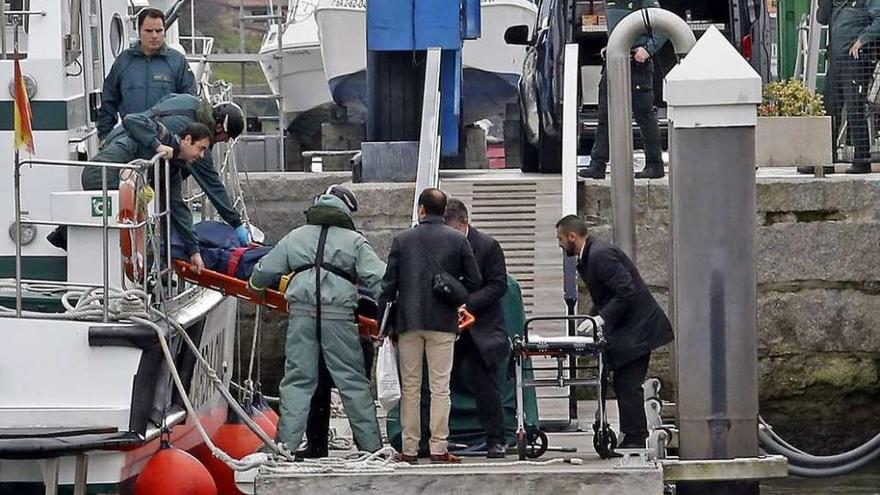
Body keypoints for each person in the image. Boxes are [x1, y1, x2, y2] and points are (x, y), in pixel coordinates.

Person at [248, 186, 387, 454]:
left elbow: (264, 271)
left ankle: (285, 446)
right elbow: (379, 279)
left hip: (301, 314)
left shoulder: (296, 237)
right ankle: (371, 448)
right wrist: (391, 312)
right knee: (353, 381)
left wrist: (255, 287)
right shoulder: (354, 241)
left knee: (298, 380)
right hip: (339, 317)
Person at [380, 188, 482, 464]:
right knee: (440, 387)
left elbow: (388, 286)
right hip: (443, 321)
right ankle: (439, 447)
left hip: (408, 323)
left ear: (421, 210)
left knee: (411, 387)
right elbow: (474, 281)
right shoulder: (457, 240)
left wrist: (385, 326)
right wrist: (451, 287)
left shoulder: (402, 240)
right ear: (443, 209)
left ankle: (409, 448)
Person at [555, 214, 673, 450]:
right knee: (623, 383)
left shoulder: (600, 255)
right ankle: (631, 435)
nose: (559, 244)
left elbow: (626, 291)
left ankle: (635, 438)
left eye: (560, 239)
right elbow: (605, 294)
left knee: (628, 384)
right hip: (631, 330)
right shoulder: (591, 256)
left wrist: (601, 318)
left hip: (638, 329)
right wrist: (592, 316)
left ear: (572, 236)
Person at [82, 94, 248, 244]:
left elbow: (164, 99)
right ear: (219, 128)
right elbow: (213, 186)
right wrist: (236, 223)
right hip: (117, 163)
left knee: (165, 204)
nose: (223, 143)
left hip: (122, 143)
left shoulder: (190, 102)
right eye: (225, 138)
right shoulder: (193, 140)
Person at [443, 199, 509, 459]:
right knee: (438, 383)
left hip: (481, 325)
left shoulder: (488, 246)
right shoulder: (444, 243)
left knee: (486, 386)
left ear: (464, 224)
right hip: (450, 324)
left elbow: (498, 285)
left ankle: (496, 439)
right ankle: (436, 438)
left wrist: (467, 303)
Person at [579, 0, 667, 180]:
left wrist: (647, 49)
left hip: (637, 65)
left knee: (645, 117)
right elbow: (617, 30)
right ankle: (598, 164)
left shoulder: (644, 1)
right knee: (604, 116)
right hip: (613, 62)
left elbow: (665, 27)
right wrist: (610, 47)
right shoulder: (608, 2)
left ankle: (655, 165)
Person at [799, 0, 880, 175]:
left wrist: (862, 40)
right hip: (835, 60)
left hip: (856, 60)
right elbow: (821, 18)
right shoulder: (836, 4)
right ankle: (826, 159)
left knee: (854, 108)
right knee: (829, 107)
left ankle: (862, 159)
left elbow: (879, 20)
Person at [97, 7, 197, 143]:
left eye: (159, 31)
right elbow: (109, 100)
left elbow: (190, 101)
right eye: (149, 31)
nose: (154, 35)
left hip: (166, 141)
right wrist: (105, 135)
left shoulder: (177, 61)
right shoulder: (124, 61)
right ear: (139, 31)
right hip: (131, 139)